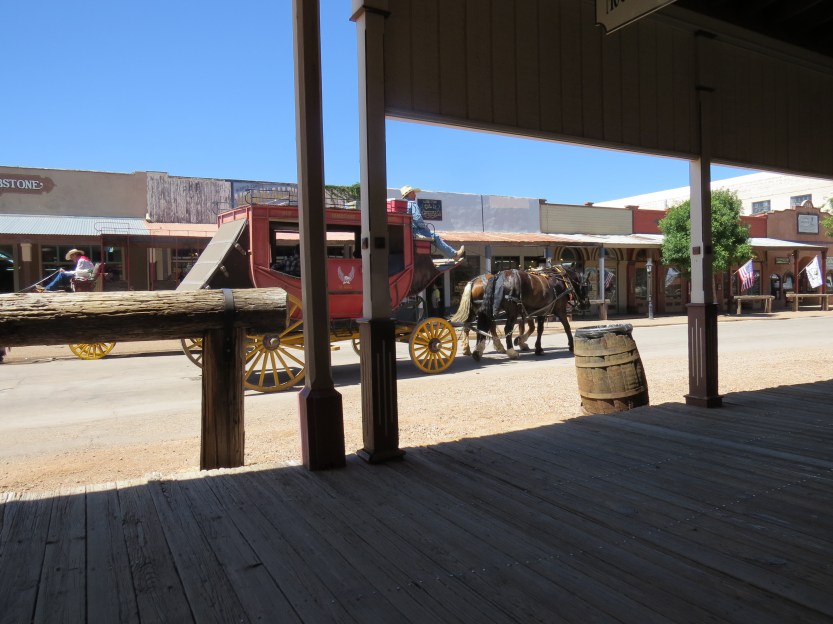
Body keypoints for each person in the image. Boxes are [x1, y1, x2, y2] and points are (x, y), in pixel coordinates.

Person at [400, 186, 464, 260]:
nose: (415, 195)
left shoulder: (404, 205)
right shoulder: (412, 203)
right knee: (436, 237)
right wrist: (424, 227)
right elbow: (417, 218)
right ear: (409, 194)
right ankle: (454, 255)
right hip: (416, 231)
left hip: (409, 231)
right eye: (413, 193)